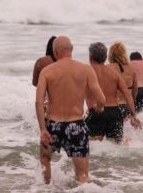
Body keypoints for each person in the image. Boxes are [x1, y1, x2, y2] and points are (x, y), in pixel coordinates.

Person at [35, 36, 105, 185]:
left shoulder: (47, 71)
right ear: (71, 49)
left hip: (53, 125)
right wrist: (99, 106)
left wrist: (42, 129)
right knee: (82, 175)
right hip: (76, 125)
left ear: (54, 52)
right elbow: (101, 99)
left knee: (45, 159)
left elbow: (39, 102)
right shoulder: (86, 69)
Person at [86, 42, 142, 143]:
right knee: (116, 149)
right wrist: (133, 115)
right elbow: (128, 96)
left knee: (94, 149)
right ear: (105, 56)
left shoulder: (87, 72)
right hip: (114, 113)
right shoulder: (114, 74)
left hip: (97, 112)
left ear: (90, 57)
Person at [108, 41, 138, 120]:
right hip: (126, 106)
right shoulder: (132, 68)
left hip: (112, 107)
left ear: (111, 54)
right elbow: (135, 89)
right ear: (124, 53)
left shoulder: (107, 68)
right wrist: (132, 102)